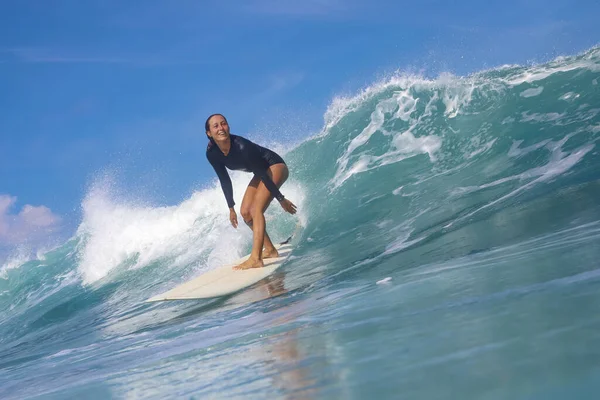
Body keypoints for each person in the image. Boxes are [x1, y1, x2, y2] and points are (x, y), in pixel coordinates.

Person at [205, 114, 297, 270]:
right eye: (216, 126)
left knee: (256, 210)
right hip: (261, 172)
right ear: (209, 133)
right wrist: (231, 208)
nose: (221, 128)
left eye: (224, 124)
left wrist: (281, 199)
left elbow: (263, 173)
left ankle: (256, 258)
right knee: (246, 213)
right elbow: (224, 180)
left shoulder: (241, 146)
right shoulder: (212, 154)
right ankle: (270, 250)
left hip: (275, 166)